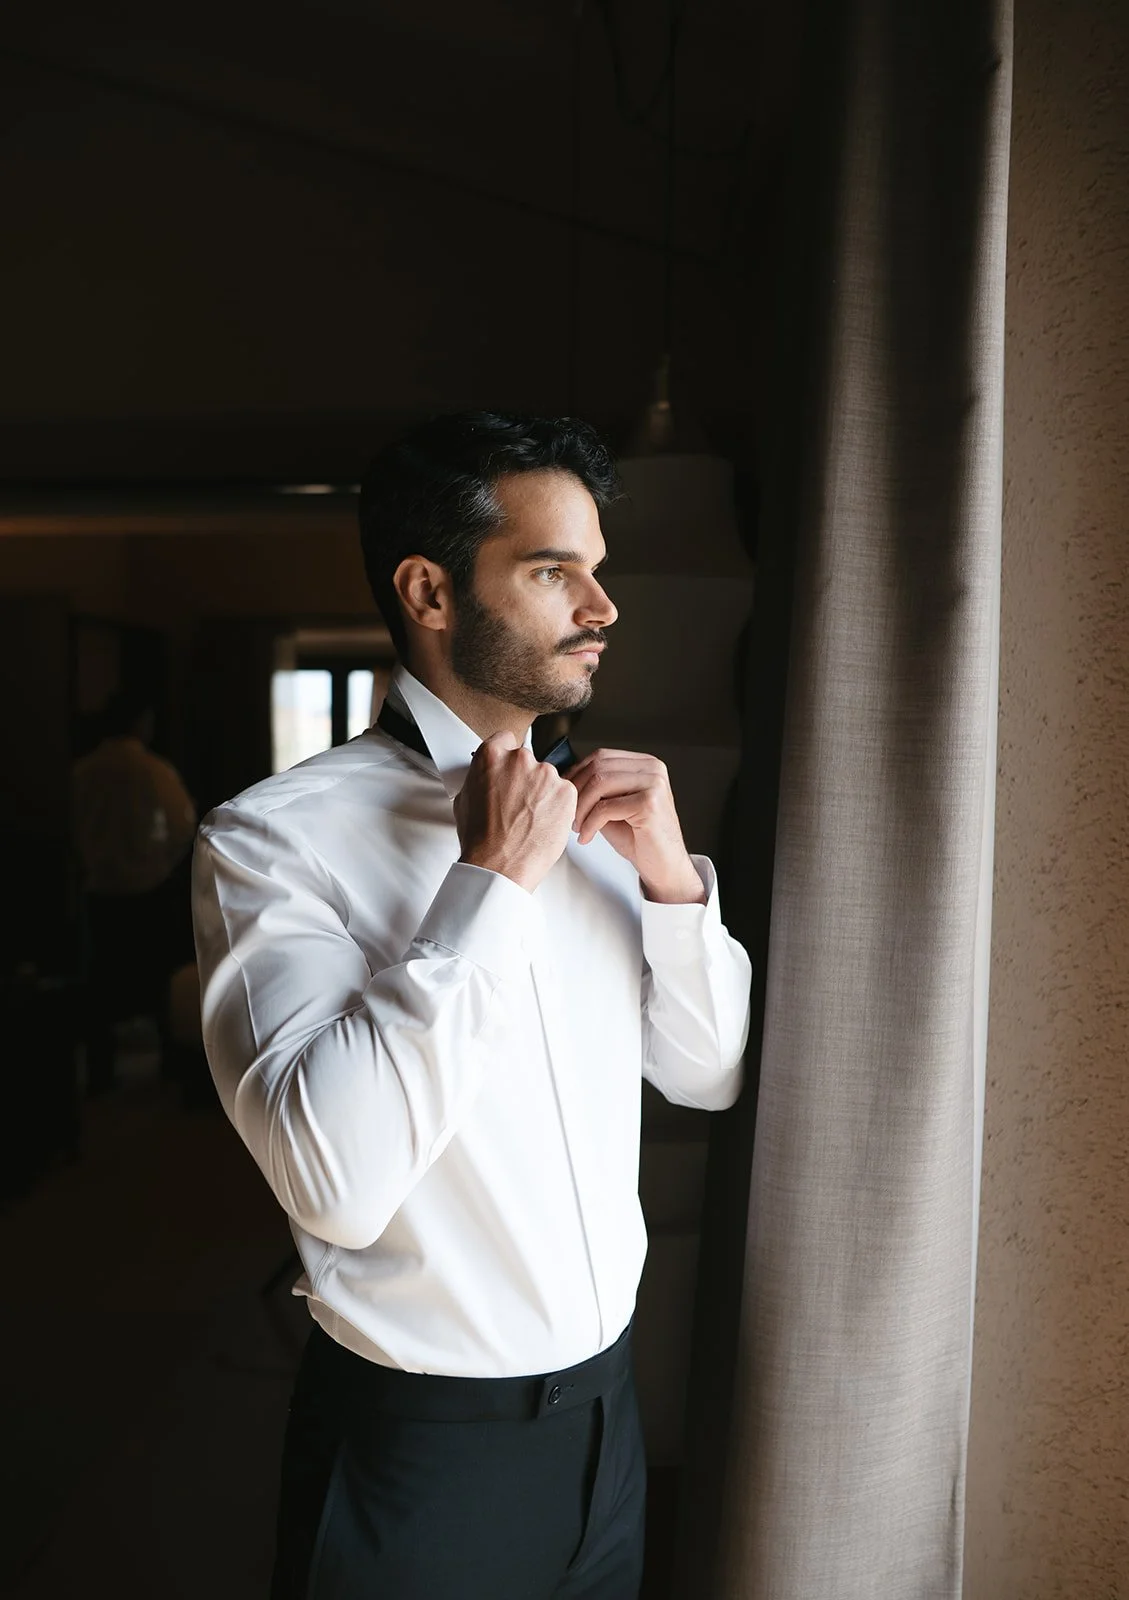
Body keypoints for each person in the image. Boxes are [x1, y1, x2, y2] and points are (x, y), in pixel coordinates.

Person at [192, 412, 752, 1600]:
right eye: (555, 573)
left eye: (596, 572)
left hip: (611, 1422)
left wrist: (669, 887)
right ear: (430, 592)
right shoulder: (270, 843)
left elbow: (706, 1074)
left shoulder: (603, 820)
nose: (602, 609)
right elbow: (333, 1183)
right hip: (422, 1455)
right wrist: (486, 886)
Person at [72, 687, 197, 1092]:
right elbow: (182, 826)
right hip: (149, 888)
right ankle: (168, 1065)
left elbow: (70, 829)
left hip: (98, 889)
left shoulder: (82, 771)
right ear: (141, 722)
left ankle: (100, 1070)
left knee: (100, 981)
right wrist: (160, 862)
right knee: (157, 975)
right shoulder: (155, 771)